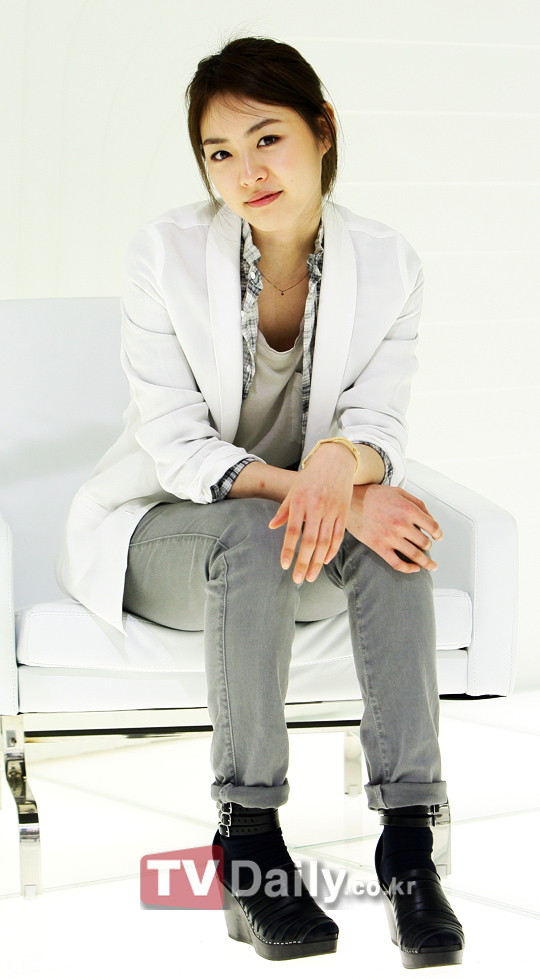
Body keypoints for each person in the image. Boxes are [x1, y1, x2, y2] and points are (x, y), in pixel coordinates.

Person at [55, 35, 465, 968]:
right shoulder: (164, 255)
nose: (247, 172)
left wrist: (344, 473)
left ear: (323, 131)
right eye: (220, 152)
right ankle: (248, 843)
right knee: (261, 525)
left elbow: (378, 421)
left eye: (268, 138)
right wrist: (333, 494)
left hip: (296, 543)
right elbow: (176, 445)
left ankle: (409, 845)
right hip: (167, 533)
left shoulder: (389, 263)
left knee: (396, 530)